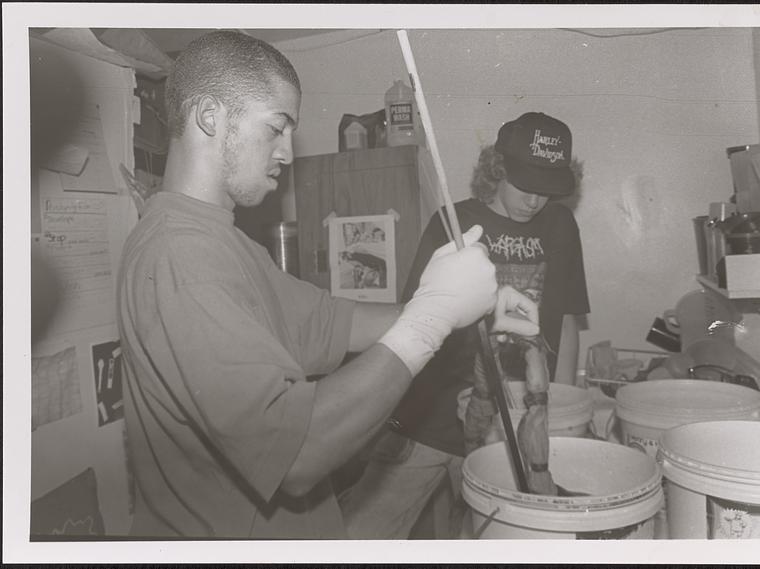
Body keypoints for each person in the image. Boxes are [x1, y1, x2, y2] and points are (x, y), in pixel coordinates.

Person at [116, 30, 538, 539]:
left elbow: (338, 323)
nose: (288, 153)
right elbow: (297, 452)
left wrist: (463, 301)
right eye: (277, 127)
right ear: (210, 117)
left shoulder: (227, 246)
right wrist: (432, 316)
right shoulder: (180, 254)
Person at [340, 111, 591, 539]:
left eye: (547, 191)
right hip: (431, 419)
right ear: (497, 170)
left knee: (502, 541)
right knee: (359, 536)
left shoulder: (561, 226)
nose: (535, 201)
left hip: (515, 428)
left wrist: (561, 409)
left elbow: (566, 320)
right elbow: (415, 321)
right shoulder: (453, 224)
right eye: (525, 185)